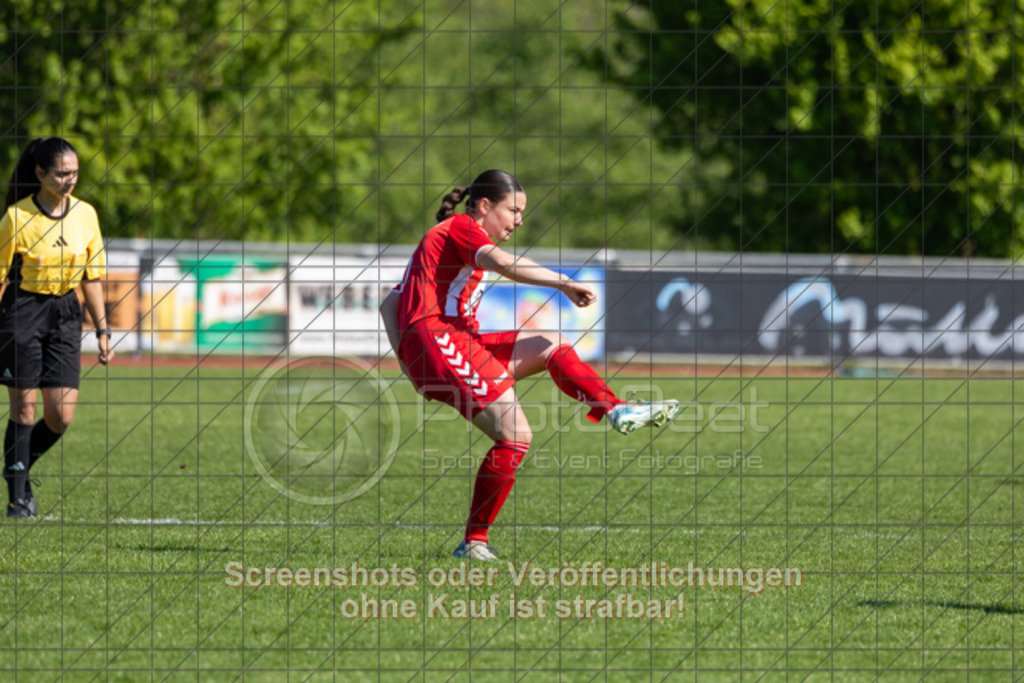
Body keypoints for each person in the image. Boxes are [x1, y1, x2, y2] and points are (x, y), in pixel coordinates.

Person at [379, 169, 679, 560]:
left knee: (552, 343)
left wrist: (408, 363)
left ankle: (615, 409)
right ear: (485, 206)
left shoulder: (452, 238)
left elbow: (389, 302)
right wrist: (563, 282)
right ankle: (474, 543)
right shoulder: (462, 228)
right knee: (515, 435)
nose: (519, 220)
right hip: (440, 342)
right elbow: (503, 263)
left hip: (447, 344)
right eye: (513, 210)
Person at [0, 137, 113, 519]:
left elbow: (92, 278)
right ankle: (18, 498)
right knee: (25, 409)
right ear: (40, 174)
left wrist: (103, 331)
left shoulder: (86, 215)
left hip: (66, 312)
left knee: (61, 415)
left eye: (75, 173)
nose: (70, 180)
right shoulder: (16, 218)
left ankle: (19, 465)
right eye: (62, 174)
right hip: (23, 310)